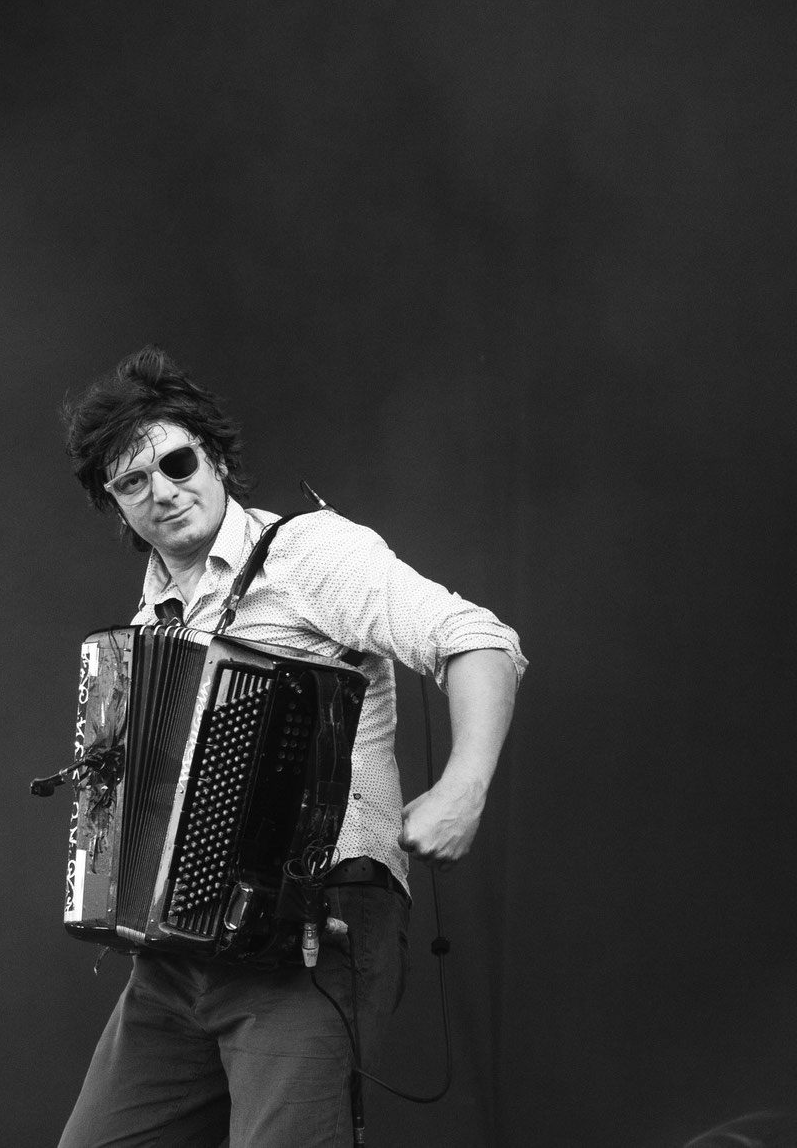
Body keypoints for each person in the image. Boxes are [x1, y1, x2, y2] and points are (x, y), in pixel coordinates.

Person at [55, 346, 526, 1148]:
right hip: (176, 958)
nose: (163, 491)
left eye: (177, 462)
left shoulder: (309, 554)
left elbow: (477, 638)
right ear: (115, 506)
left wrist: (464, 785)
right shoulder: (147, 625)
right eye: (133, 482)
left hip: (314, 932)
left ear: (218, 459)